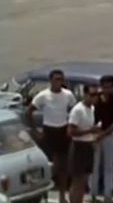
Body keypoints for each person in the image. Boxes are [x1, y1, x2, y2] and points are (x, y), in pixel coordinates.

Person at [27, 69, 76, 203]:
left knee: (64, 165)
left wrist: (71, 127)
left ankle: (62, 196)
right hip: (49, 131)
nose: (59, 82)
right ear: (51, 81)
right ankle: (43, 188)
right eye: (56, 79)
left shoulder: (68, 95)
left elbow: (74, 111)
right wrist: (35, 131)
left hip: (63, 130)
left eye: (61, 79)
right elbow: (29, 111)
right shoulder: (43, 95)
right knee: (53, 163)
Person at [90, 75, 113, 203]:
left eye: (109, 87)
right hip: (95, 135)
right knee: (94, 165)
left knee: (109, 165)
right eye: (104, 87)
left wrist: (105, 133)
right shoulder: (96, 100)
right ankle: (93, 194)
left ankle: (107, 194)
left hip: (108, 135)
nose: (106, 90)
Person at [68, 84, 101, 203]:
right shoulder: (78, 110)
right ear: (85, 94)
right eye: (92, 95)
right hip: (78, 147)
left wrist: (94, 136)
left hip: (88, 146)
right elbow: (71, 131)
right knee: (77, 181)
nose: (95, 98)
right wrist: (90, 131)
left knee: (84, 181)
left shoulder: (92, 109)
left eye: (97, 95)